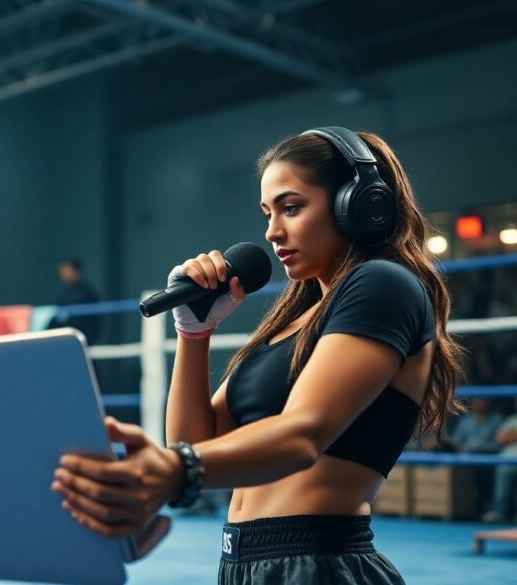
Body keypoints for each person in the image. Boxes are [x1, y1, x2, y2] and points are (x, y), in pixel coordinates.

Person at [52, 127, 463, 583]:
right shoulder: (291, 324)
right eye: (267, 213)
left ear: (359, 203)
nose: (272, 231)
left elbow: (303, 434)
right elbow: (196, 446)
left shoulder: (383, 285)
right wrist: (195, 332)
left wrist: (176, 470)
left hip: (319, 564)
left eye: (291, 207)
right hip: (243, 564)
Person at [48, 258, 101, 345]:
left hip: (82, 339)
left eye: (66, 269)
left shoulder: (86, 292)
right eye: (62, 270)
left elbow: (93, 323)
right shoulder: (63, 293)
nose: (63, 273)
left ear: (75, 271)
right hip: (64, 340)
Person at [487, 398, 517, 523]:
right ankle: (499, 512)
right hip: (507, 458)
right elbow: (499, 439)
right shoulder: (511, 419)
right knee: (502, 469)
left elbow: (505, 437)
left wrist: (511, 435)